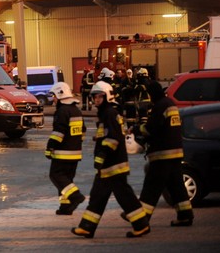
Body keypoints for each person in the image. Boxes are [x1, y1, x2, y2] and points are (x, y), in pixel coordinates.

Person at [72, 81, 150, 239]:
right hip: (110, 165)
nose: (96, 100)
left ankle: (141, 225)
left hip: (113, 164)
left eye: (99, 97)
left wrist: (101, 155)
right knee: (98, 196)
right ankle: (87, 227)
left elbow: (113, 139)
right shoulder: (107, 112)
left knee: (124, 196)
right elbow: (109, 134)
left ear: (107, 96)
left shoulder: (109, 113)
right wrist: (99, 139)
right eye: (94, 97)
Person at [130, 79, 194, 227]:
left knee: (151, 186)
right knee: (176, 186)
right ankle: (185, 215)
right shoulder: (171, 104)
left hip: (162, 154)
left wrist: (136, 129)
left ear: (152, 93)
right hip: (176, 152)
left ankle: (142, 218)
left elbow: (151, 129)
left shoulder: (160, 106)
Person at [46, 82, 86, 215]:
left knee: (56, 176)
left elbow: (59, 132)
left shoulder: (62, 111)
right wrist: (76, 143)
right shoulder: (76, 110)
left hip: (63, 153)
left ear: (60, 94)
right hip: (75, 153)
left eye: (54, 96)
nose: (53, 99)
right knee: (67, 181)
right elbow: (83, 131)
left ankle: (76, 196)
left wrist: (50, 146)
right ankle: (66, 207)